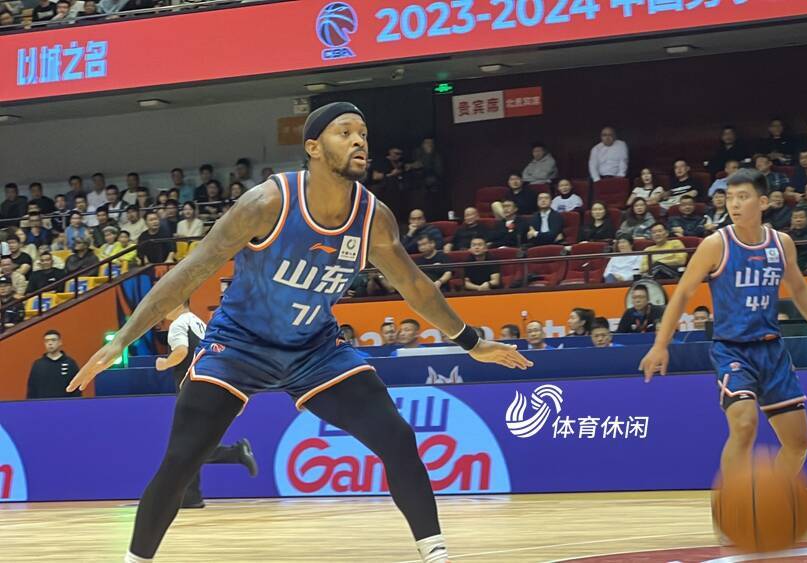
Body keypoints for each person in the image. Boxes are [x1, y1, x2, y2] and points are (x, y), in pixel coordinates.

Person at [66, 102, 531, 563]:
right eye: (345, 132)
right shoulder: (267, 203)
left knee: (397, 438)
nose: (359, 141)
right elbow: (190, 271)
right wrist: (122, 339)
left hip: (315, 350)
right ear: (313, 147)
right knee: (182, 460)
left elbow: (415, 287)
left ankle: (436, 555)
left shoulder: (373, 218)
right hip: (238, 346)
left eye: (363, 134)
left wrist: (471, 341)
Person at [640, 169, 807, 483]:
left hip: (773, 350)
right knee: (744, 425)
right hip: (732, 349)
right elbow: (682, 293)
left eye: (743, 197)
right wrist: (660, 345)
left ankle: (772, 499)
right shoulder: (716, 244)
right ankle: (732, 504)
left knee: (798, 444)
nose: (734, 204)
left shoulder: (781, 244)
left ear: (763, 202)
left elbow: (799, 290)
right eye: (729, 197)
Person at [155, 302, 258, 509]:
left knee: (185, 446)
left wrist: (164, 363)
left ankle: (235, 453)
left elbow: (181, 351)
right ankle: (192, 496)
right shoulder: (200, 323)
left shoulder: (178, 324)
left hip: (190, 390)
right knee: (190, 442)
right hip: (207, 386)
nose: (163, 310)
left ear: (179, 303)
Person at [27, 330, 80, 399]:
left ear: (60, 342)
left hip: (65, 404)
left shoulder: (70, 363)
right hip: (43, 404)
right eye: (47, 341)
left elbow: (76, 388)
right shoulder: (38, 364)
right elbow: (32, 389)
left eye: (53, 340)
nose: (50, 343)